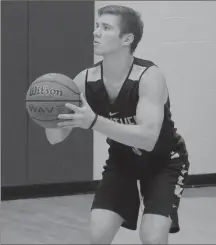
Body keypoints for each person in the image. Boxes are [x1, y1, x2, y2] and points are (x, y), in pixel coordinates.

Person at [45, 5, 190, 244]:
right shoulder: (84, 80)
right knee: (98, 235)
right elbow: (55, 138)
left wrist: (93, 121)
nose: (96, 32)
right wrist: (49, 115)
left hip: (165, 163)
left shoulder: (149, 76)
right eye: (96, 26)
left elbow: (148, 138)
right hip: (122, 161)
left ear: (127, 39)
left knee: (152, 236)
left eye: (106, 27)